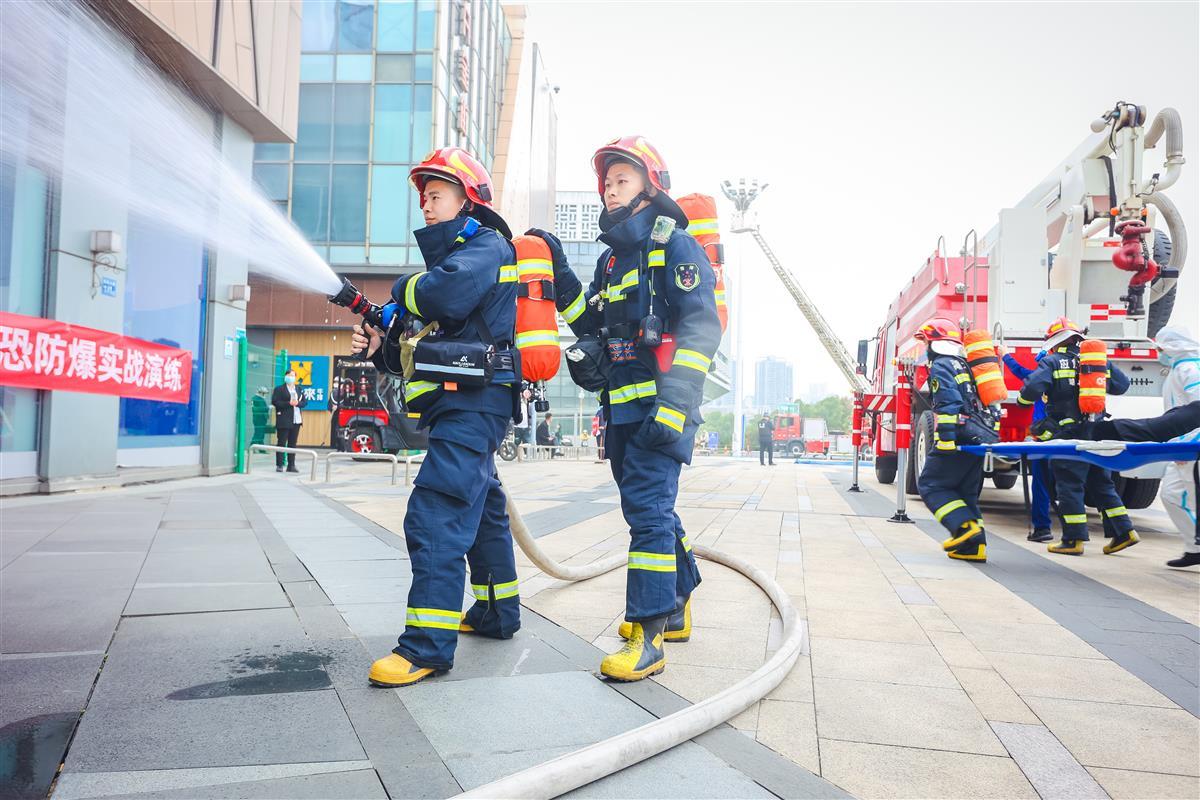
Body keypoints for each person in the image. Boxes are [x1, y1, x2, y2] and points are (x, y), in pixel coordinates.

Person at [528, 135, 720, 681]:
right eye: (607, 182)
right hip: (622, 412)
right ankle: (678, 604)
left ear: (649, 188)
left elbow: (703, 327)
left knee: (649, 517)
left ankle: (650, 634)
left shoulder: (674, 246)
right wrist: (558, 267)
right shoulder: (613, 259)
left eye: (623, 180)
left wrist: (677, 407)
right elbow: (588, 320)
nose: (611, 191)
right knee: (652, 509)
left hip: (663, 411)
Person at [351, 147, 521, 687]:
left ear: (467, 200)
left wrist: (399, 293)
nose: (426, 205)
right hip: (462, 404)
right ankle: (497, 612)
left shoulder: (486, 247)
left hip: (472, 407)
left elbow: (443, 296)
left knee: (436, 514)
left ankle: (425, 647)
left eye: (437, 194)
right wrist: (380, 344)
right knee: (485, 509)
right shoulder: (457, 257)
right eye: (423, 196)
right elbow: (427, 343)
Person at [1016, 317, 1135, 556]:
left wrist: (1022, 402)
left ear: (1054, 341)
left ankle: (1073, 540)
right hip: (1097, 432)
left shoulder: (1052, 361)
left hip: (1068, 434)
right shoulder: (1095, 361)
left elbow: (1029, 392)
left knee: (1069, 484)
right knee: (1101, 482)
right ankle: (1124, 532)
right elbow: (1122, 386)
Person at [914, 318, 989, 562]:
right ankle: (975, 546)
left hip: (956, 435)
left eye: (926, 342)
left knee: (931, 484)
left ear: (934, 343)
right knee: (965, 491)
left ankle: (965, 529)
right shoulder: (963, 364)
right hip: (975, 436)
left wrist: (945, 441)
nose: (925, 348)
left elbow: (948, 402)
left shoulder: (941, 365)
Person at [998, 345, 1054, 542]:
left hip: (1044, 439)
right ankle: (1076, 534)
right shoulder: (1075, 377)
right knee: (1071, 484)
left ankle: (1043, 529)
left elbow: (1021, 373)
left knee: (1040, 483)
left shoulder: (1041, 377)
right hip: (1069, 438)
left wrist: (1005, 356)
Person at [271, 369, 307, 473]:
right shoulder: (279, 389)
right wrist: (288, 403)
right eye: (289, 375)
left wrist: (297, 404)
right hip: (284, 419)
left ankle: (291, 465)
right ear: (285, 376)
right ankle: (279, 464)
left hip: (296, 420)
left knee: (293, 443)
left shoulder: (299, 389)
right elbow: (275, 402)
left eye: (293, 376)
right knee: (281, 442)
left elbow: (305, 402)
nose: (291, 377)